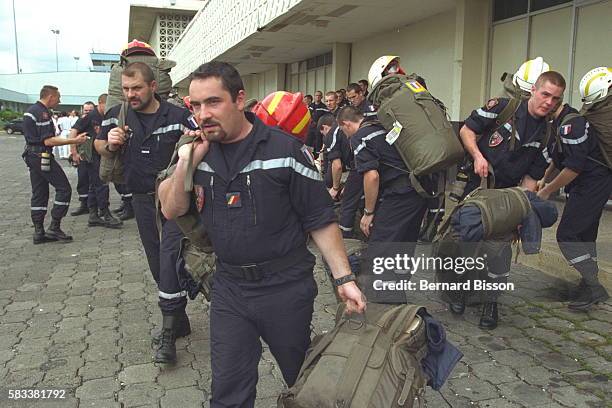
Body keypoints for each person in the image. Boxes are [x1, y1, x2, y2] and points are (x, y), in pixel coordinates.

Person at [158, 61, 366, 407]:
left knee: (302, 380)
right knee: (228, 392)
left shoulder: (285, 151)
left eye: (213, 102)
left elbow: (320, 218)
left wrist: (344, 277)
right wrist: (186, 162)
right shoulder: (196, 150)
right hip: (228, 288)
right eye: (195, 106)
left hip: (284, 287)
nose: (202, 114)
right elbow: (171, 208)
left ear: (240, 100)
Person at [95, 62, 199, 364]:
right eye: (126, 89)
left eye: (137, 88)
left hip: (173, 201)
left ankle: (168, 334)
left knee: (168, 259)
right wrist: (109, 143)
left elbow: (200, 140)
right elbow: (99, 145)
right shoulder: (117, 115)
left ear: (153, 86)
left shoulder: (177, 115)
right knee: (157, 263)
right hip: (141, 199)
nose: (131, 94)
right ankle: (179, 319)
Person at [458, 71, 565, 329]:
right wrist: (477, 157)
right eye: (545, 94)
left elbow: (531, 179)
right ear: (533, 91)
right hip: (478, 187)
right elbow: (466, 130)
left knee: (500, 250)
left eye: (556, 99)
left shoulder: (549, 135)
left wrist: (520, 211)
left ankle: (491, 302)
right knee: (466, 241)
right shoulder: (503, 108)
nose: (549, 102)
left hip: (507, 196)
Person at [537, 67, 612, 310]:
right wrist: (544, 176)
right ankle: (587, 282)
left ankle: (594, 287)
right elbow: (560, 159)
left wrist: (547, 190)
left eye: (551, 99)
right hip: (592, 182)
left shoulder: (572, 125)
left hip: (593, 183)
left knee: (567, 235)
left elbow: (574, 167)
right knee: (585, 235)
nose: (545, 105)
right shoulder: (564, 121)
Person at [22, 85, 87, 244]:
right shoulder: (42, 113)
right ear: (50, 97)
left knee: (40, 192)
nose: (60, 101)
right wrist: (74, 140)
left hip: (32, 155)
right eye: (58, 98)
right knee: (64, 188)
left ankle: (39, 231)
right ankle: (54, 226)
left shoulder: (31, 110)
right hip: (41, 155)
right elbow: (48, 140)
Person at [70, 95, 122, 228]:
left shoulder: (106, 116)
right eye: (107, 105)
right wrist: (74, 151)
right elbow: (74, 131)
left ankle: (93, 215)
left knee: (95, 185)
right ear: (100, 104)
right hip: (91, 156)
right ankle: (104, 213)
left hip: (101, 154)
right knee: (101, 183)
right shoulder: (90, 116)